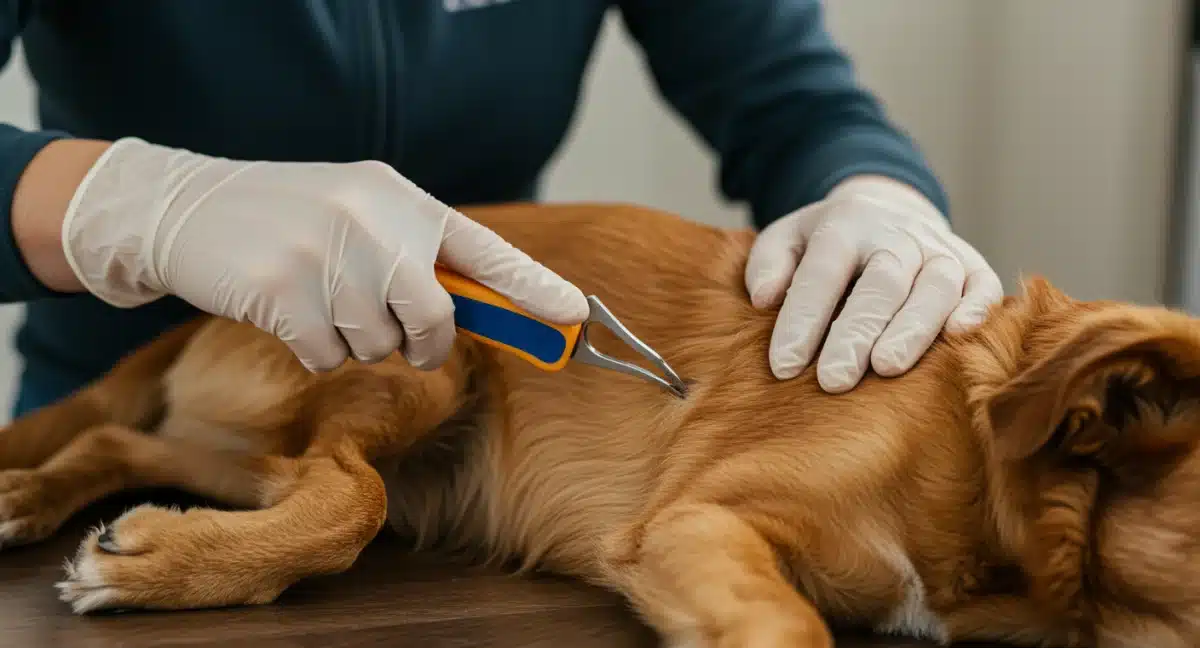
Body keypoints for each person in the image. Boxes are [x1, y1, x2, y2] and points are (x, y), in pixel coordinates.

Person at [1, 1, 1001, 419]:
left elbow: (796, 103)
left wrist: (879, 195)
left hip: (472, 437)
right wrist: (134, 207)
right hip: (139, 426)